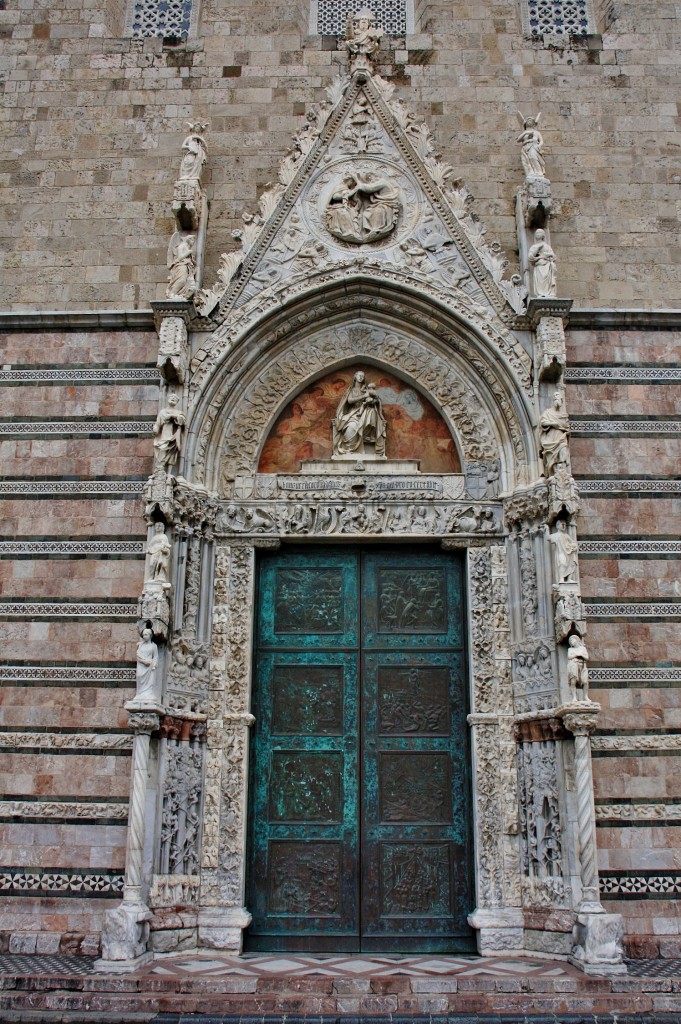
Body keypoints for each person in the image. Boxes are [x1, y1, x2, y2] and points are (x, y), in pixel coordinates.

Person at [334, 372, 387, 457]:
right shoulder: (352, 390)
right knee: (351, 426)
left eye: (363, 376)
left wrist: (373, 400)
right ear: (355, 377)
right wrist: (363, 396)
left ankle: (369, 436)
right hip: (353, 413)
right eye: (359, 375)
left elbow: (375, 399)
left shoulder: (366, 389)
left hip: (364, 411)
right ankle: (349, 449)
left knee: (372, 412)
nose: (361, 377)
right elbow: (350, 401)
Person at [539, 391, 570, 476]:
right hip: (551, 438)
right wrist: (552, 424)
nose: (558, 400)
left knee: (563, 452)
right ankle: (553, 473)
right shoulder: (548, 412)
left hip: (561, 437)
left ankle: (562, 473)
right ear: (553, 400)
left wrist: (562, 427)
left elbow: (566, 427)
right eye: (556, 398)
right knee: (551, 458)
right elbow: (543, 423)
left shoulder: (563, 415)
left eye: (559, 398)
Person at [153, 393, 186, 470]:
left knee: (172, 453)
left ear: (177, 402)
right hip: (165, 434)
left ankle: (169, 473)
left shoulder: (178, 412)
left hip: (174, 435)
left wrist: (172, 416)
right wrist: (155, 429)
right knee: (162, 449)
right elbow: (158, 424)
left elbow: (182, 420)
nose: (173, 398)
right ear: (168, 399)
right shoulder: (162, 412)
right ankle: (161, 468)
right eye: (172, 397)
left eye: (175, 398)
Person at [528, 228, 557, 298]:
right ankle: (541, 294)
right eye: (537, 233)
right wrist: (538, 250)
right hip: (539, 266)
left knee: (547, 281)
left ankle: (549, 293)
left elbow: (554, 256)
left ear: (543, 235)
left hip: (547, 266)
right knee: (540, 281)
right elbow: (530, 257)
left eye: (540, 233)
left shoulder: (547, 246)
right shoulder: (534, 246)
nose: (538, 234)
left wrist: (547, 256)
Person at [133, 628, 159, 705]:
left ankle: (149, 694)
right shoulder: (140, 645)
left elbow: (155, 657)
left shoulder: (154, 646)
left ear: (150, 636)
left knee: (150, 681)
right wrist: (144, 661)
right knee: (139, 676)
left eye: (146, 635)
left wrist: (154, 664)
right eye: (143, 635)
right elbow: (138, 655)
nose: (144, 636)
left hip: (150, 667)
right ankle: (139, 694)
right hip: (141, 665)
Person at [549, 519, 578, 583]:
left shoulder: (566, 536)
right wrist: (545, 529)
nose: (563, 526)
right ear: (557, 526)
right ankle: (561, 578)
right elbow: (548, 538)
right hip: (561, 552)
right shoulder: (555, 535)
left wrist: (574, 546)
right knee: (562, 563)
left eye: (564, 524)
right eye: (562, 524)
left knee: (572, 564)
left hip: (568, 553)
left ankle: (569, 578)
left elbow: (573, 542)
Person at [516, 114, 546, 178]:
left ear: (533, 124)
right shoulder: (524, 133)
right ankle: (530, 174)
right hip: (525, 147)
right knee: (526, 162)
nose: (529, 122)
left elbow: (541, 141)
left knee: (533, 157)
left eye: (531, 121)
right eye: (528, 121)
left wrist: (539, 145)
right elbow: (518, 140)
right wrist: (526, 133)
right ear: (525, 124)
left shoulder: (536, 132)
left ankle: (539, 172)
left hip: (533, 146)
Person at [567, 635, 589, 699]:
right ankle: (574, 697)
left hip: (582, 666)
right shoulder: (570, 649)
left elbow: (587, 657)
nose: (571, 642)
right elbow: (569, 657)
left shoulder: (582, 648)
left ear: (576, 640)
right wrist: (577, 654)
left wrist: (581, 654)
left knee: (585, 682)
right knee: (573, 682)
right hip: (573, 666)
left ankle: (585, 696)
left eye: (572, 640)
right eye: (570, 641)